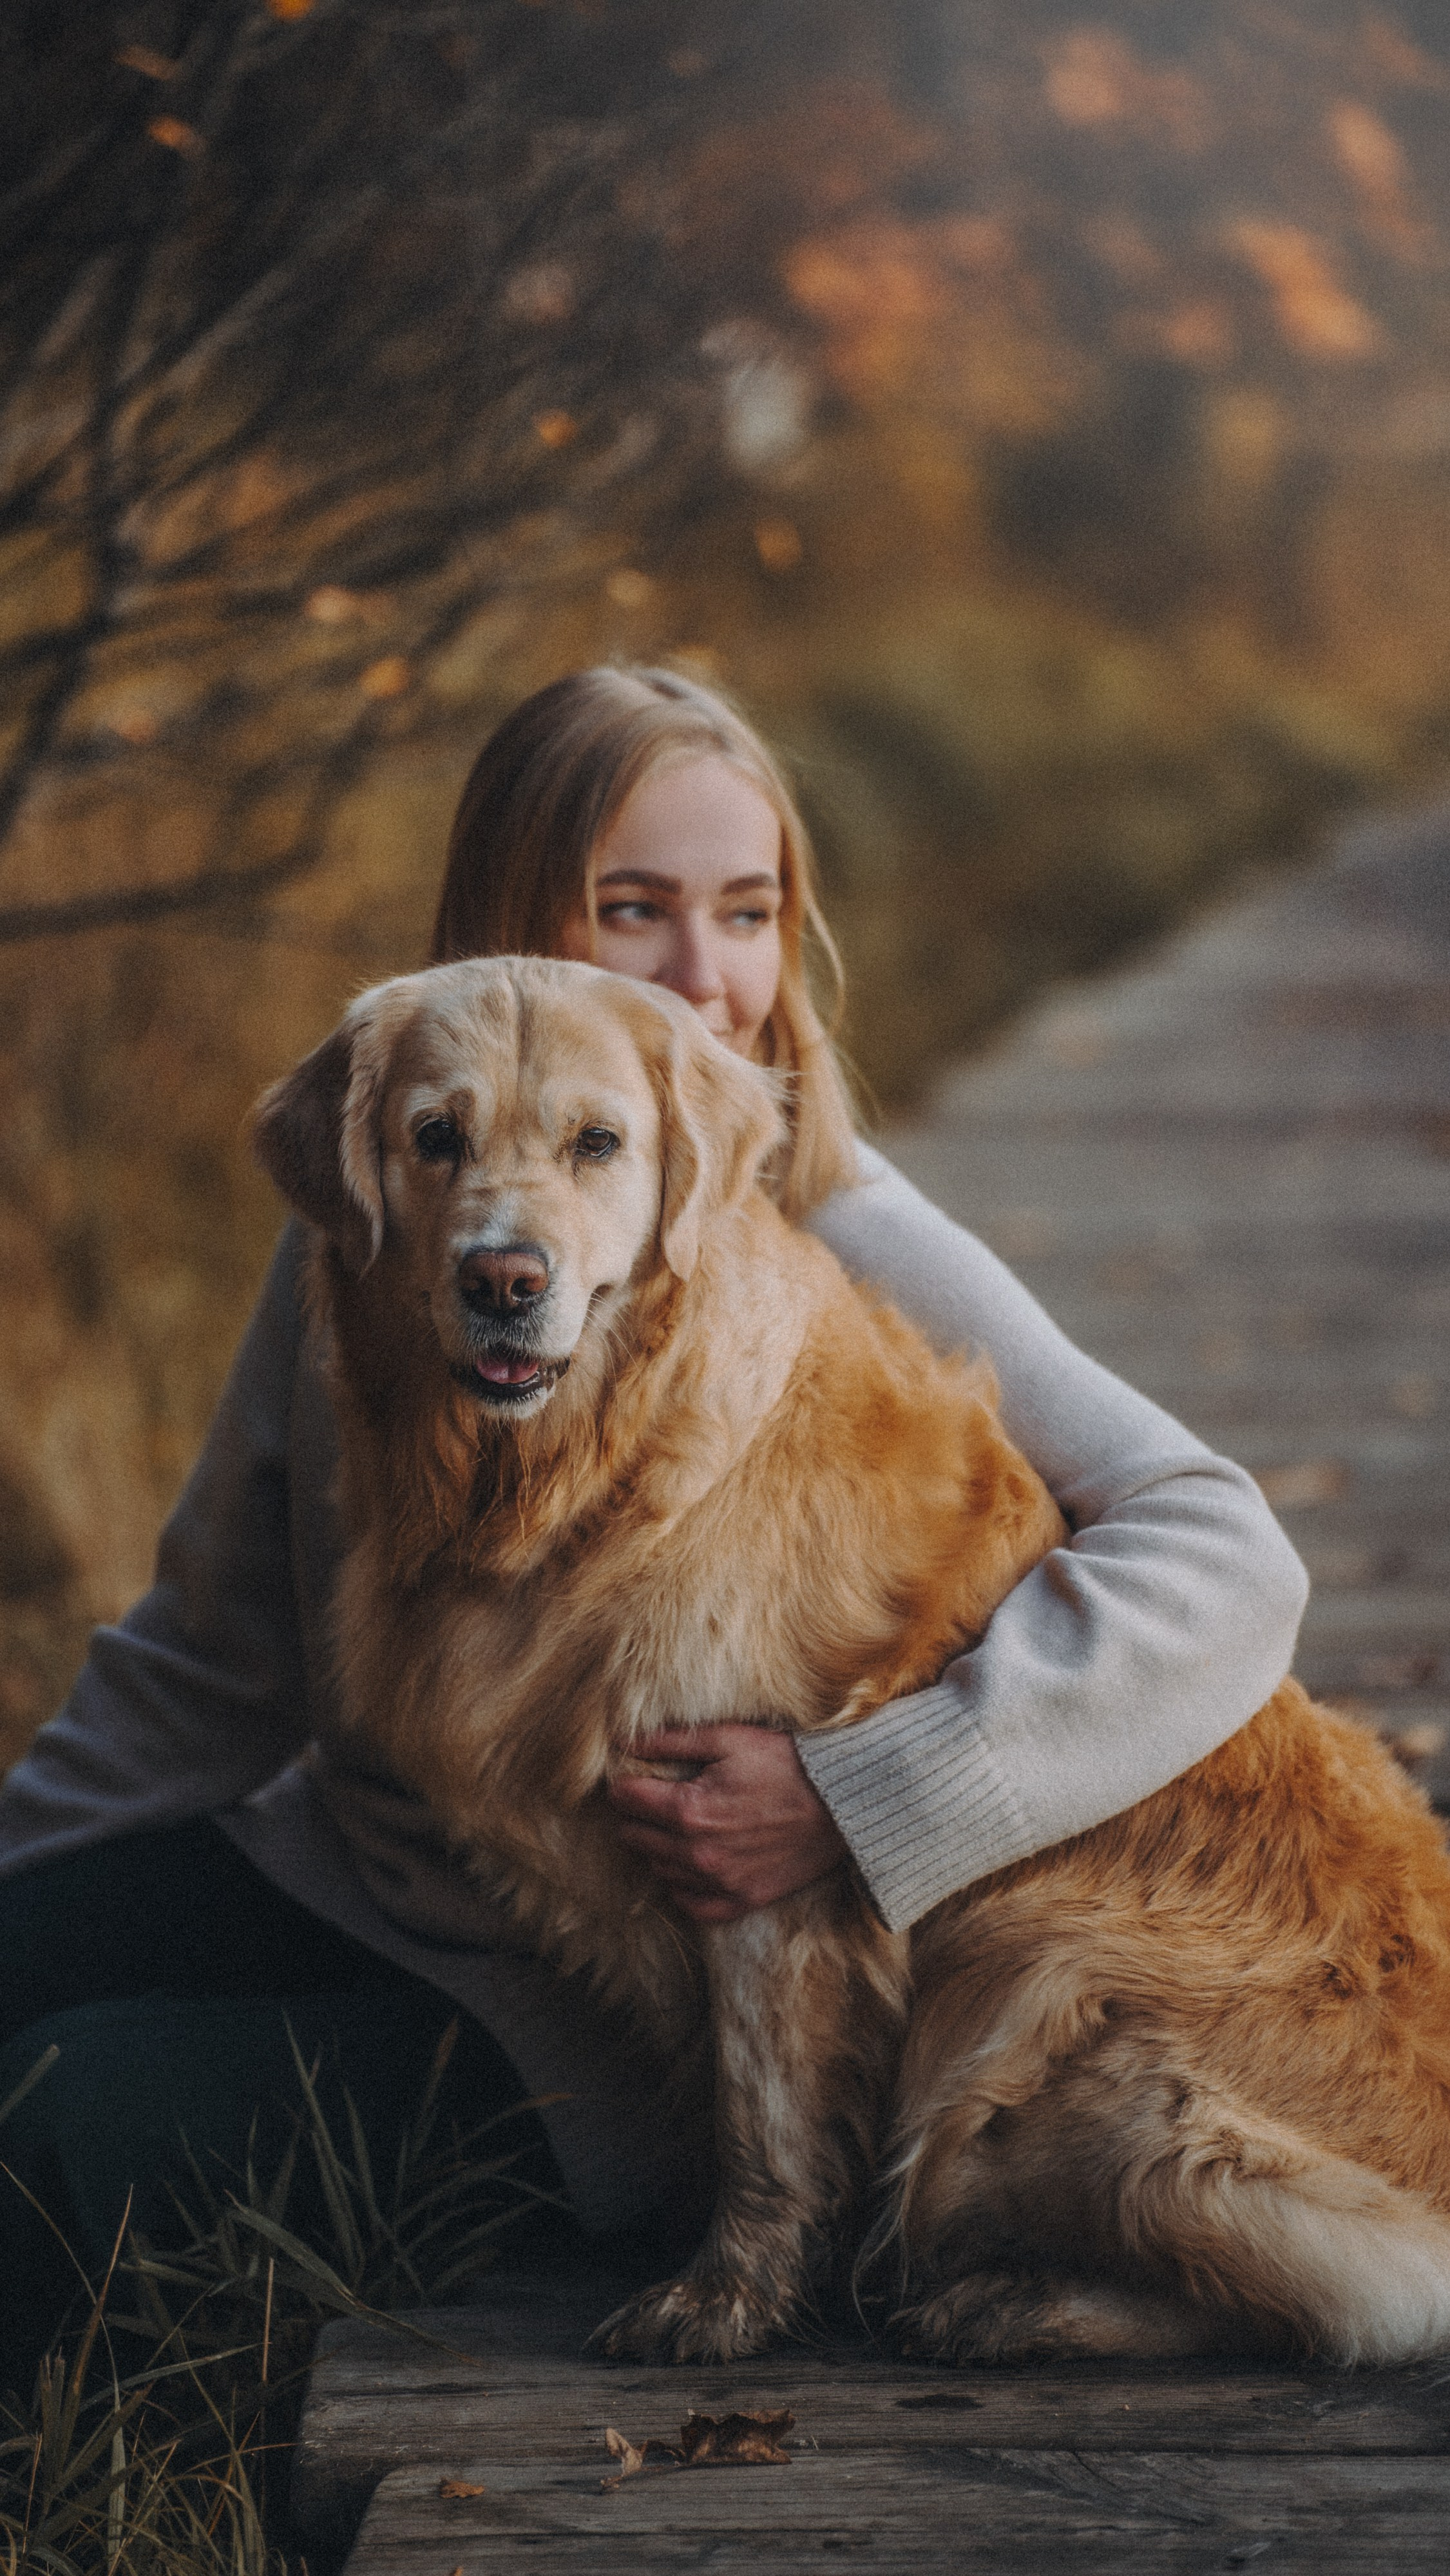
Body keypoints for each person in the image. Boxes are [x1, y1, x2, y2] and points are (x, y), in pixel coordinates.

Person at [0, 665, 1308, 2374]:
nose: (706, 976)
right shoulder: (387, 1208)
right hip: (372, 1881)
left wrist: (864, 1795)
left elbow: (1223, 1543)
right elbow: (209, 1657)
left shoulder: (828, 1218)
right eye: (634, 911)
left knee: (74, 2131)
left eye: (747, 913)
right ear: (508, 929)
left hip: (600, 2023)